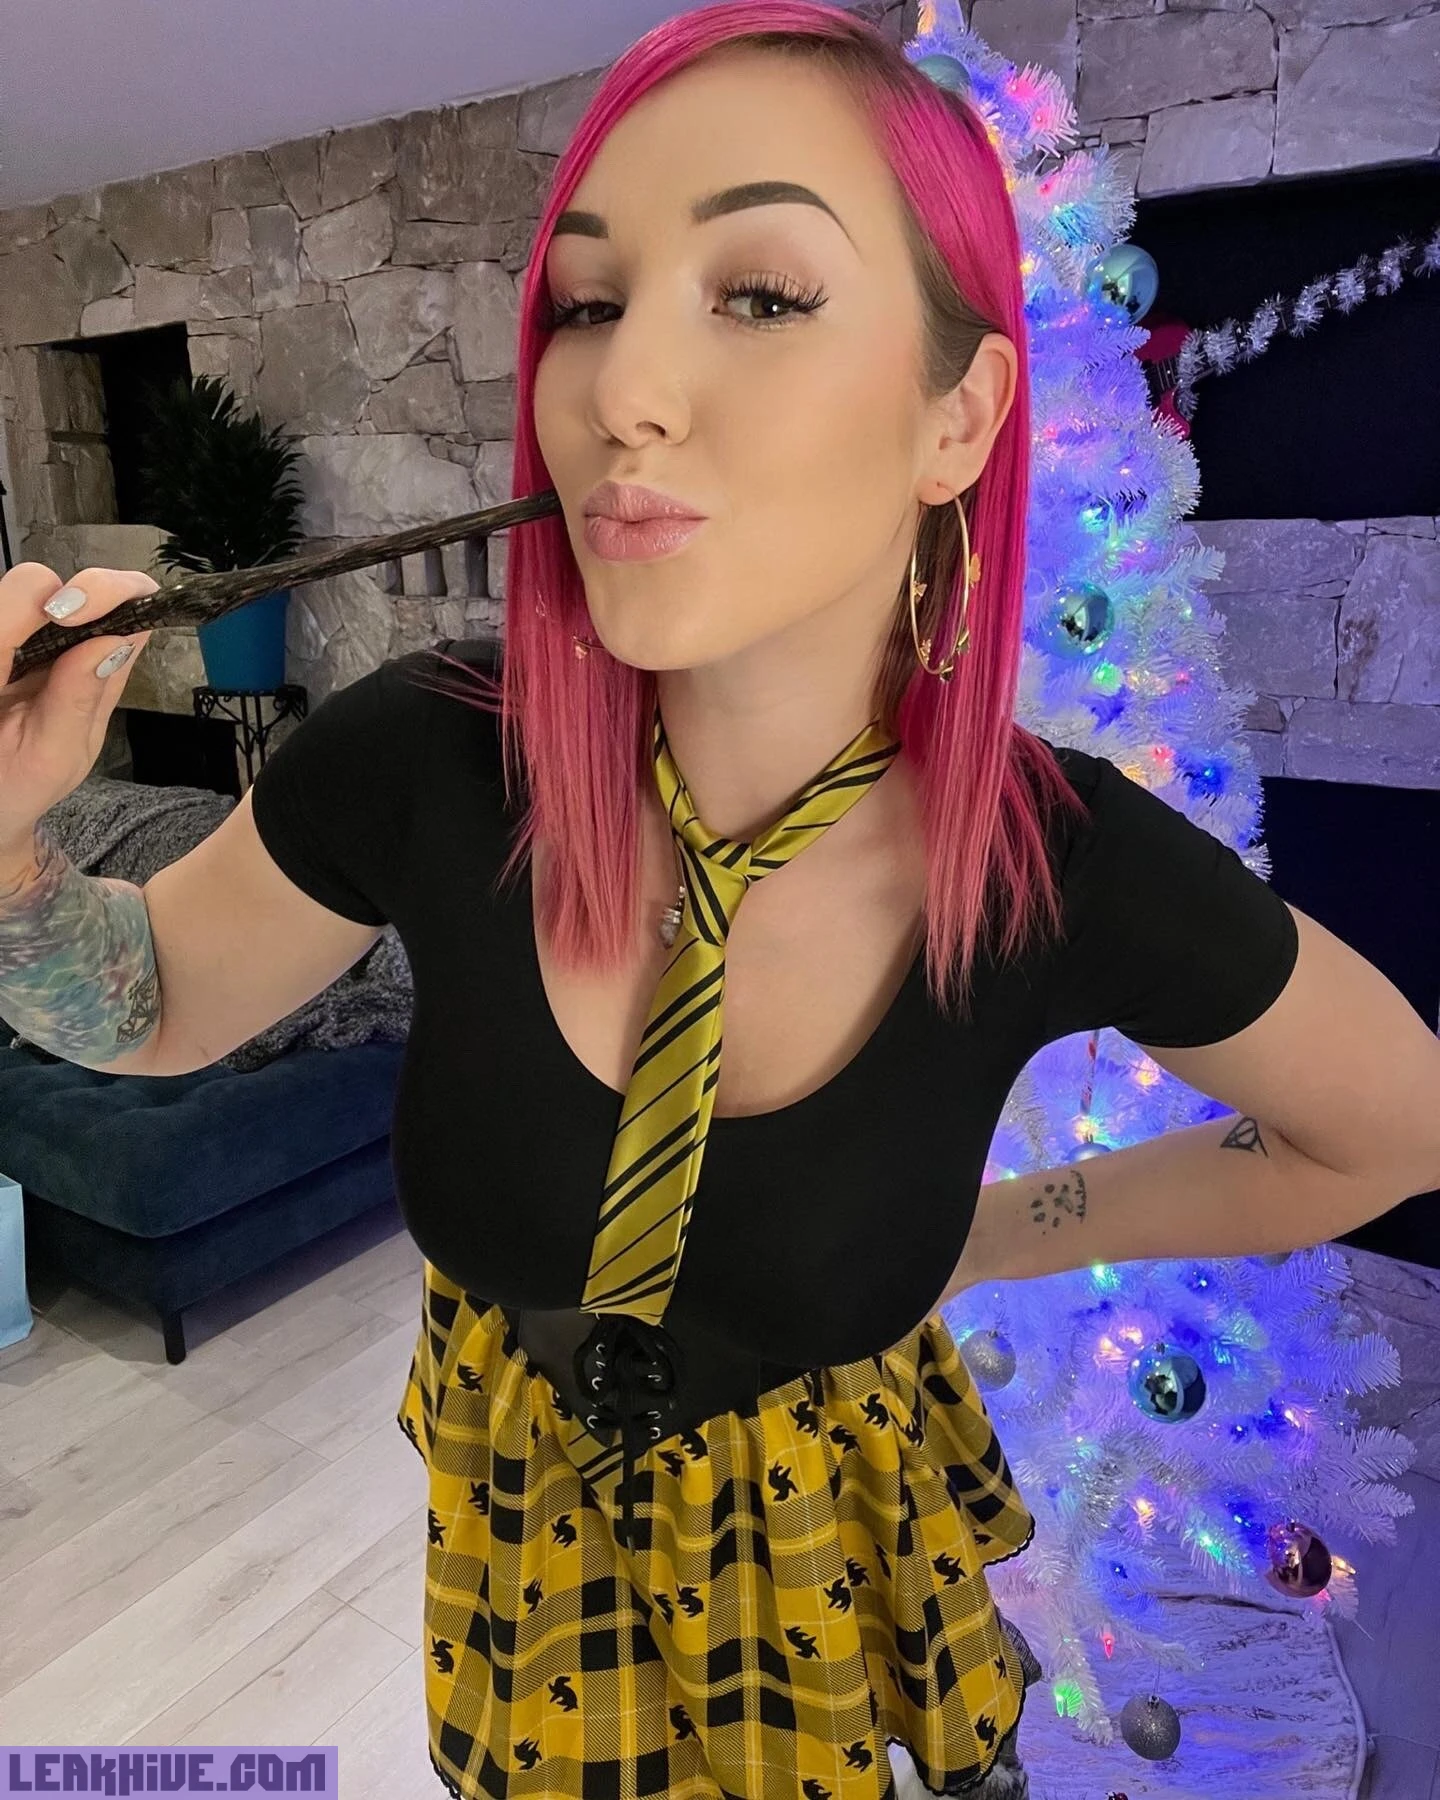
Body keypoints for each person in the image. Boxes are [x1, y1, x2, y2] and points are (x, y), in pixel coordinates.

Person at [19, 3, 1434, 1797]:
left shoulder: (1052, 858)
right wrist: (6, 853)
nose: (622, 387)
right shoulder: (425, 757)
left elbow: (1390, 1122)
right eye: (588, 303)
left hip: (834, 1580)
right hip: (526, 1571)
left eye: (759, 294)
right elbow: (147, 1004)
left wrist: (996, 1235)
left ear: (957, 419)